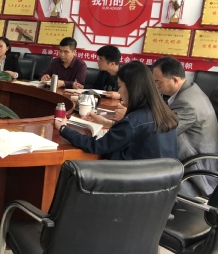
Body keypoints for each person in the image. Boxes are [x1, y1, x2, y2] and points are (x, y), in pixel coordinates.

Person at [55, 60, 178, 160]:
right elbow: (136, 132)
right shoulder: (165, 112)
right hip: (164, 180)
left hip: (131, 179)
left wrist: (64, 129)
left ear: (132, 88)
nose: (119, 91)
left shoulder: (133, 120)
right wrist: (106, 122)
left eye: (120, 86)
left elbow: (96, 146)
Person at [152, 56, 218, 196]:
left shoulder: (187, 103)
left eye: (158, 82)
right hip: (193, 156)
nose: (156, 86)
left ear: (175, 80)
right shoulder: (190, 90)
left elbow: (162, 131)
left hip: (195, 170)